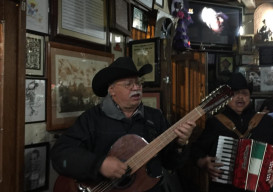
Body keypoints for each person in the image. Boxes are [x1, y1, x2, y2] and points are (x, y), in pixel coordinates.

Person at [51, 57, 196, 192]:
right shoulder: (92, 119)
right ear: (111, 90)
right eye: (128, 84)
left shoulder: (155, 117)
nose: (136, 88)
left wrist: (180, 144)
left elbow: (170, 163)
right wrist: (99, 164)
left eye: (138, 83)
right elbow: (61, 154)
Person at [191, 72, 273, 192]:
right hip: (223, 188)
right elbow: (195, 150)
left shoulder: (265, 121)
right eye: (234, 93)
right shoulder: (215, 123)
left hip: (257, 187)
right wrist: (203, 163)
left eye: (244, 93)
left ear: (249, 97)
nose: (240, 97)